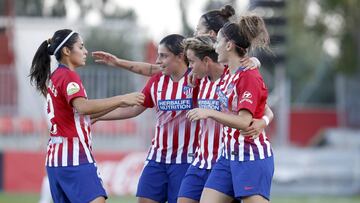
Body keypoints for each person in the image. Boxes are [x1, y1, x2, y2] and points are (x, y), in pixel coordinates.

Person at [29, 29, 145, 203]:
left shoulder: (55, 77)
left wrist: (121, 107)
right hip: (75, 158)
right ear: (67, 51)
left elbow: (76, 116)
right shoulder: (69, 77)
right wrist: (122, 99)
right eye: (81, 47)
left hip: (55, 161)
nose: (85, 51)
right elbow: (83, 107)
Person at [95, 34, 199, 203]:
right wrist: (98, 116)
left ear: (180, 56)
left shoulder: (197, 81)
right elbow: (133, 110)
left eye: (163, 56)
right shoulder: (157, 81)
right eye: (158, 55)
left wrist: (252, 61)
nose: (158, 61)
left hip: (186, 160)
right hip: (157, 159)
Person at [186, 15, 274, 203]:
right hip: (227, 157)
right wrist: (194, 74)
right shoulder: (228, 73)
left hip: (250, 156)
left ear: (228, 46)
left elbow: (244, 122)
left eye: (218, 41)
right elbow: (267, 111)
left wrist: (209, 112)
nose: (215, 46)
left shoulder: (248, 76)